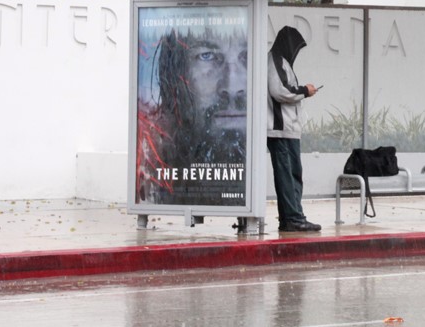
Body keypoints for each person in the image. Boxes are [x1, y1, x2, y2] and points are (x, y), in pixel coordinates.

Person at [136, 20, 249, 205]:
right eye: (207, 56)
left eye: (247, 56)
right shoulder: (152, 169)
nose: (232, 87)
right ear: (175, 73)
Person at [267, 25, 321, 232]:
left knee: (292, 173)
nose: (295, 52)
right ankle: (293, 218)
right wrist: (304, 90)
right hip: (280, 130)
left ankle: (290, 218)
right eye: (295, 47)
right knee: (288, 174)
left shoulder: (281, 62)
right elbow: (279, 90)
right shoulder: (275, 60)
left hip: (288, 130)